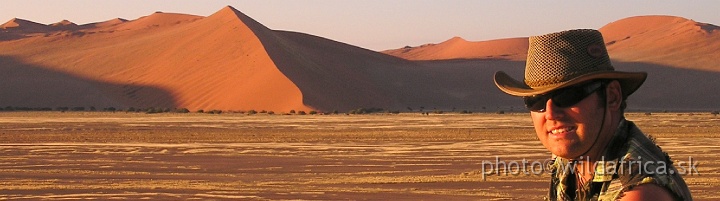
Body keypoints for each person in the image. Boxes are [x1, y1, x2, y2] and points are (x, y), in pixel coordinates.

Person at [493, 29, 692, 200]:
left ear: (612, 97)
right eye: (535, 101)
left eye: (568, 94)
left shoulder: (640, 192)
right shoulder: (571, 161)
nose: (551, 113)